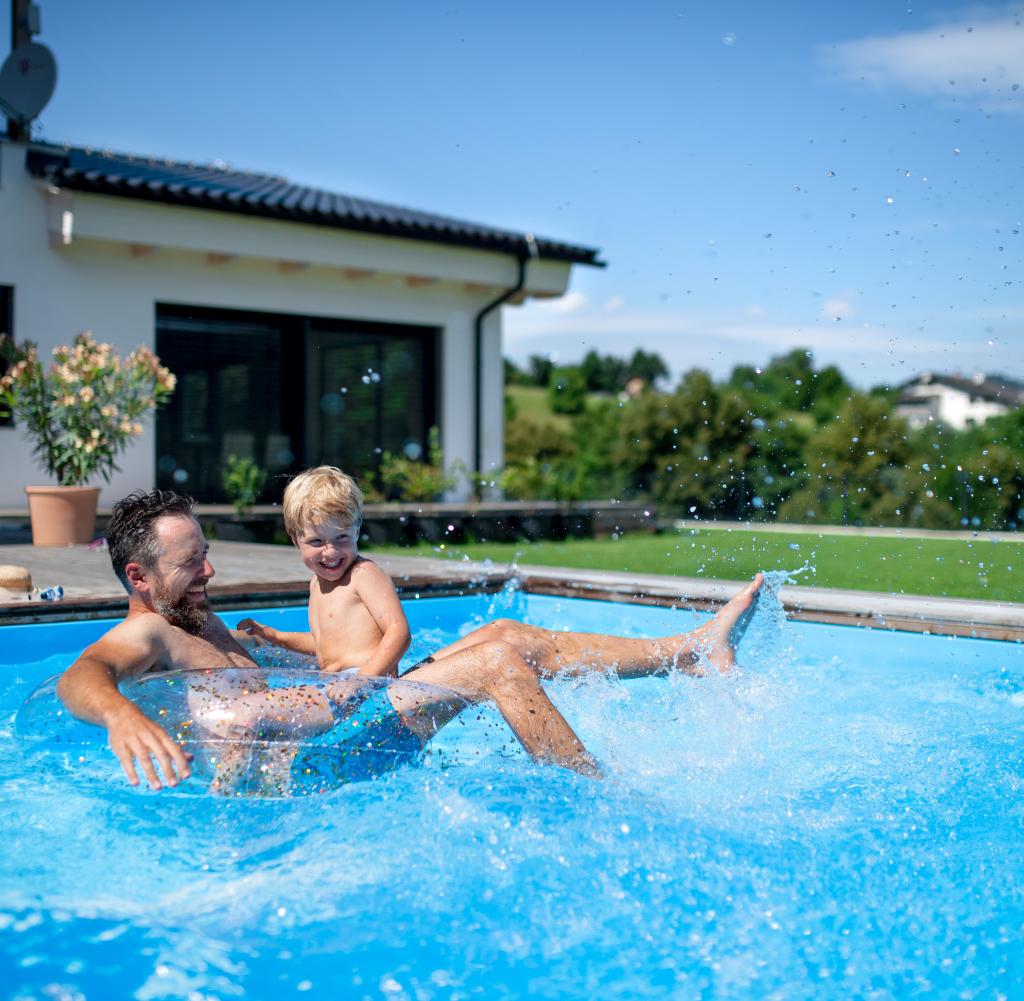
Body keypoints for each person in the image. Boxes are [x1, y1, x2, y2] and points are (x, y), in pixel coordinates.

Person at [57, 488, 761, 793]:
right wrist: (120, 712)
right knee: (494, 663)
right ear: (139, 577)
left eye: (207, 552)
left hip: (335, 723)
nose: (210, 570)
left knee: (506, 631)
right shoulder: (148, 627)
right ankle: (604, 805)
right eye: (191, 564)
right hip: (312, 767)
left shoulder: (197, 620)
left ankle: (689, 651)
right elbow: (82, 674)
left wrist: (274, 644)